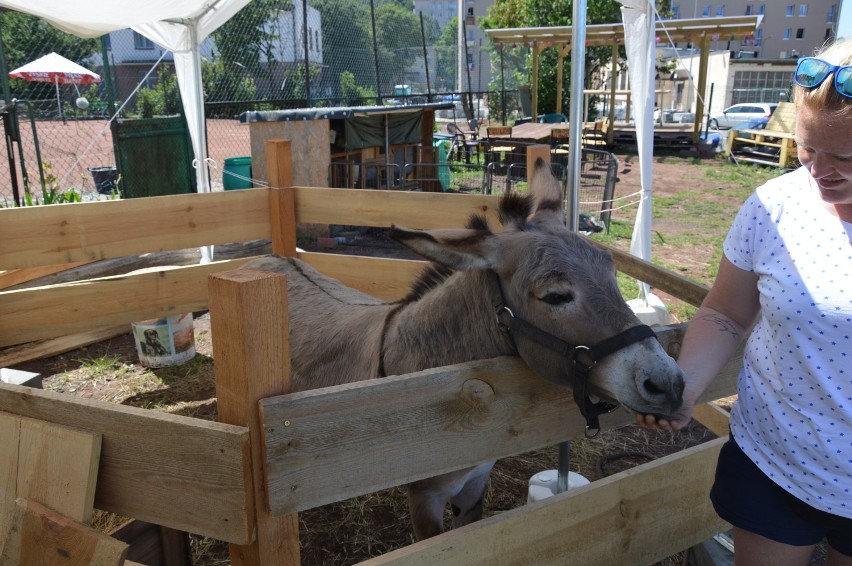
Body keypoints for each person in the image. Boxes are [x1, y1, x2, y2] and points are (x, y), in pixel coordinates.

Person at [637, 38, 852, 566]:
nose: (817, 170)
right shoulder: (774, 207)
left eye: (843, 155)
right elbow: (725, 312)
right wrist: (686, 385)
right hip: (777, 460)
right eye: (806, 147)